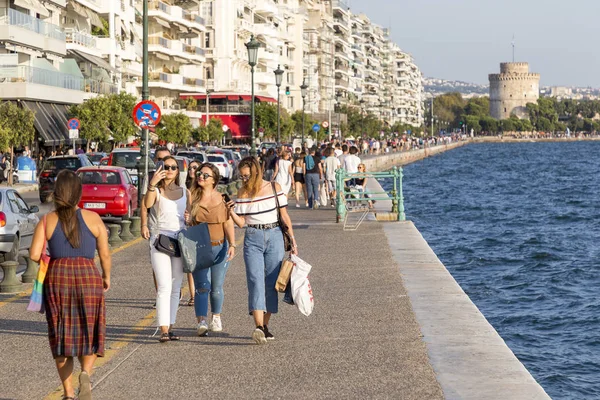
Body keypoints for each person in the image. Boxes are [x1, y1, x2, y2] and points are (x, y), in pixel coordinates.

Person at [29, 170, 111, 400]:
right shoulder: (93, 218)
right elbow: (104, 254)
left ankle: (68, 392)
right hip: (88, 275)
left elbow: (35, 254)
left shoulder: (47, 220)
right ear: (78, 193)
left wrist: (51, 255)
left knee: (61, 331)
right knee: (90, 327)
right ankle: (85, 372)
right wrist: (106, 277)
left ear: (57, 193)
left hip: (58, 277)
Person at [228, 157, 298, 344]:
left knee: (271, 282)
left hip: (275, 234)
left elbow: (284, 216)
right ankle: (258, 326)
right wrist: (231, 212)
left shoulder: (275, 188)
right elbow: (242, 222)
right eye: (241, 176)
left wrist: (292, 240)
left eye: (246, 176)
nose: (243, 180)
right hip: (253, 237)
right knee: (254, 280)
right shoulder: (242, 193)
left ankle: (265, 325)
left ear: (256, 172)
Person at [144, 156, 190, 343]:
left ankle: (170, 326)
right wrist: (152, 184)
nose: (170, 170)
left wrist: (189, 217)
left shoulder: (185, 191)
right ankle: (163, 329)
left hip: (180, 240)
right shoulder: (157, 190)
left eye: (173, 167)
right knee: (164, 285)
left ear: (178, 171)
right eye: (166, 167)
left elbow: (190, 215)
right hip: (160, 240)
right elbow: (147, 205)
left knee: (176, 286)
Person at [188, 163, 236, 336]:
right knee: (202, 286)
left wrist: (232, 244)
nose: (201, 176)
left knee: (216, 287)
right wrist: (187, 219)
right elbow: (186, 223)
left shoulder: (223, 198)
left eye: (206, 175)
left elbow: (228, 222)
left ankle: (216, 316)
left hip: (219, 247)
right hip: (198, 248)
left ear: (214, 179)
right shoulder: (191, 197)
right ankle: (201, 321)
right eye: (200, 173)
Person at [182, 159, 202, 306]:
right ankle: (193, 294)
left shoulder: (206, 189)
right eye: (190, 168)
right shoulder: (185, 188)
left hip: (203, 227)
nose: (191, 170)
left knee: (202, 263)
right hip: (189, 227)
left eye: (195, 167)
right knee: (190, 263)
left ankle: (202, 291)